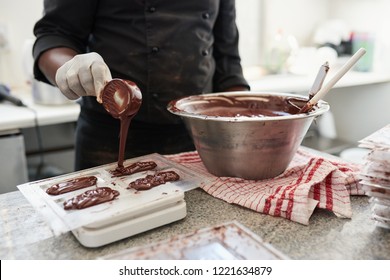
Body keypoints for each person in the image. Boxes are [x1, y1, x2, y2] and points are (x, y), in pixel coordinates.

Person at [33, 0, 250, 171]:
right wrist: (71, 68)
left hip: (197, 135)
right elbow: (54, 35)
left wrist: (244, 126)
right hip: (111, 137)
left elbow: (227, 59)